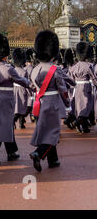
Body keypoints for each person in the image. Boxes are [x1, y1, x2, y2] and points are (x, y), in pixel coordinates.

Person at [0, 34, 31, 166]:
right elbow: (21, 81)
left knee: (3, 125)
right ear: (5, 54)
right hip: (7, 100)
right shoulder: (9, 69)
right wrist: (30, 84)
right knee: (4, 127)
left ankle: (11, 151)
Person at [29, 30, 70, 172]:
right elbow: (62, 89)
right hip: (53, 103)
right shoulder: (55, 69)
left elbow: (31, 86)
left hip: (39, 103)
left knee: (47, 130)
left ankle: (53, 160)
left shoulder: (34, 70)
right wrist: (68, 104)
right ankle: (38, 153)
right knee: (53, 132)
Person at [69, 42, 97, 133]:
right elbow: (93, 78)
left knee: (79, 107)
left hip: (76, 88)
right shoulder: (88, 65)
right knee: (86, 107)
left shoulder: (74, 67)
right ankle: (76, 123)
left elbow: (71, 80)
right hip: (86, 87)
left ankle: (84, 127)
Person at [12, 48, 29, 129]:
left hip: (14, 89)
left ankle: (20, 123)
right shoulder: (24, 71)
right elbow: (26, 83)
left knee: (16, 106)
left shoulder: (12, 69)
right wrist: (30, 92)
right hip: (22, 90)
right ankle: (17, 122)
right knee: (22, 106)